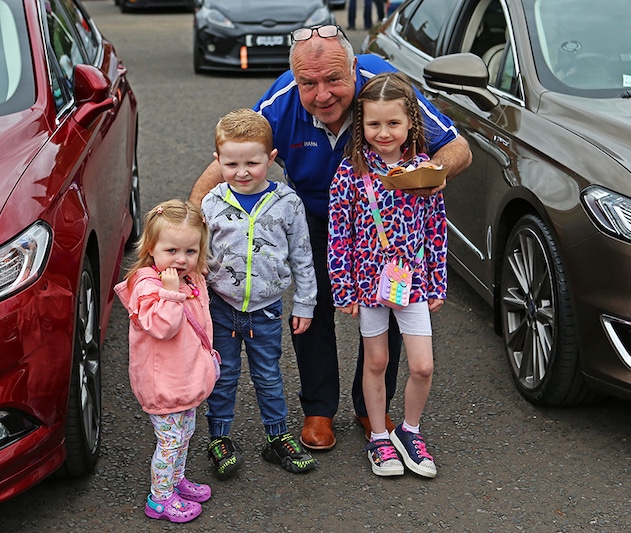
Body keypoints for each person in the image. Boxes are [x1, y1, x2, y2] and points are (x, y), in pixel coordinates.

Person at [189, 24, 471, 452]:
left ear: (355, 69)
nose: (322, 94)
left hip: (383, 224)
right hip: (315, 216)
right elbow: (232, 157)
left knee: (388, 303)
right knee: (311, 303)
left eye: (334, 79)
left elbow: (458, 148)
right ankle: (318, 408)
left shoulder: (384, 91)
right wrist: (188, 230)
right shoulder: (281, 103)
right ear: (296, 80)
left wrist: (431, 174)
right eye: (309, 83)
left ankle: (370, 404)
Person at [327, 72, 445, 478]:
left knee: (422, 366)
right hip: (367, 284)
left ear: (411, 120)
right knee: (376, 361)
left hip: (413, 284)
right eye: (374, 124)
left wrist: (438, 281)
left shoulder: (426, 172)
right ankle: (379, 436)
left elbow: (436, 230)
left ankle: (409, 431)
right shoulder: (349, 175)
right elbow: (338, 236)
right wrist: (343, 288)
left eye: (393, 123)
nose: (383, 132)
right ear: (362, 125)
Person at [201, 108, 318, 479]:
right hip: (221, 305)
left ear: (271, 158)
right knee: (223, 374)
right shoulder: (212, 203)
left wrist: (305, 302)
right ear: (218, 160)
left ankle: (277, 436)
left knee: (269, 375)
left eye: (252, 162)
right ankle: (218, 438)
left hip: (266, 309)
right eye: (232, 163)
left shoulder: (288, 203)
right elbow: (200, 256)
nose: (242, 172)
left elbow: (302, 254)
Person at [114, 200, 217, 523]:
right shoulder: (149, 288)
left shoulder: (188, 277)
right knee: (170, 442)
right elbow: (162, 327)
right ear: (151, 248)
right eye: (171, 250)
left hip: (185, 377)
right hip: (164, 384)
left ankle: (175, 480)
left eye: (190, 251)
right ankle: (159, 498)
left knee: (185, 435)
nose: (182, 259)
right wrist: (171, 294)